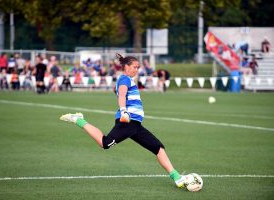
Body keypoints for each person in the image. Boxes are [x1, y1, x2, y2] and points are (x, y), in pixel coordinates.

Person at [59, 53, 186, 189]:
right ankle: (79, 120)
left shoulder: (127, 80)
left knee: (158, 148)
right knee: (105, 143)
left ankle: (177, 177)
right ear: (126, 67)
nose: (136, 70)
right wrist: (124, 110)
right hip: (127, 122)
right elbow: (122, 95)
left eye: (138, 67)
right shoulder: (125, 79)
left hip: (136, 125)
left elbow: (119, 92)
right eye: (134, 67)